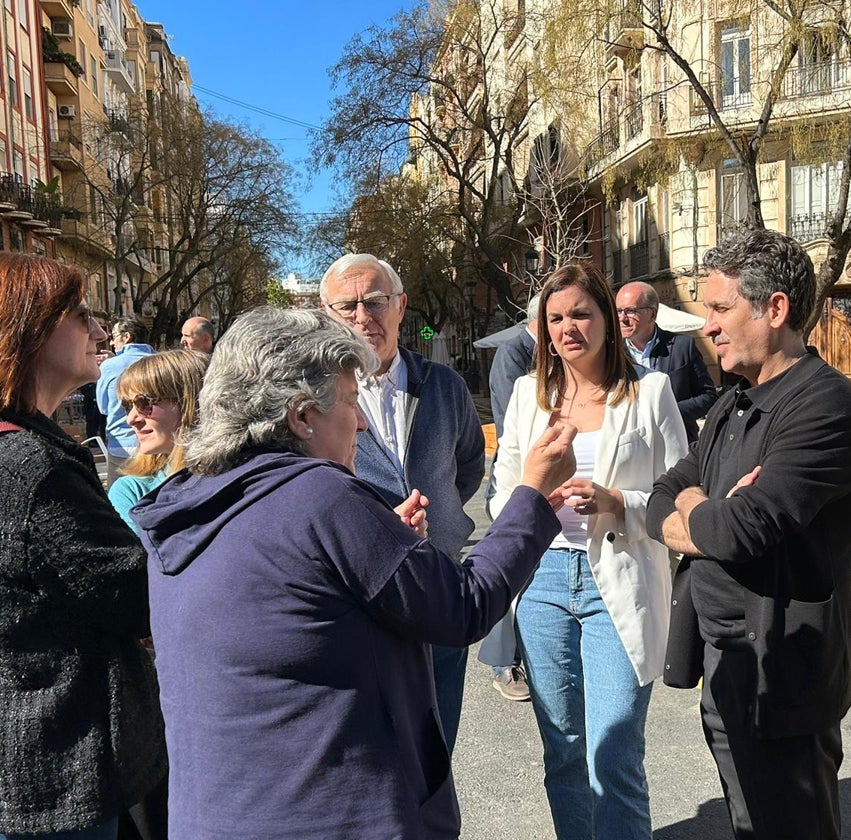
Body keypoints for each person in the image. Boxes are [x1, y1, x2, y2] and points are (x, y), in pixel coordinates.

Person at [131, 307, 576, 840]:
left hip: (217, 815)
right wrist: (531, 495)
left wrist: (379, 541)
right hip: (340, 816)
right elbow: (464, 606)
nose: (360, 421)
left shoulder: (187, 501)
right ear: (301, 416)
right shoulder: (322, 498)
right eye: (348, 401)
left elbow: (292, 601)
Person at [646, 229, 851, 840]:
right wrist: (704, 506)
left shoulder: (827, 406)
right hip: (726, 662)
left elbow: (741, 530)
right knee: (748, 821)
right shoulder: (731, 403)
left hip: (785, 675)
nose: (709, 326)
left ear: (774, 309)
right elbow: (660, 499)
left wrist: (701, 511)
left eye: (720, 309)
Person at [0, 252, 166, 840]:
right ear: (27, 327)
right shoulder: (30, 469)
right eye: (81, 315)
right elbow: (137, 595)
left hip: (15, 751)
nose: (102, 331)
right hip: (65, 764)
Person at [488, 264, 689, 840]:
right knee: (564, 751)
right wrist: (532, 494)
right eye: (555, 318)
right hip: (544, 581)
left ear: (606, 317)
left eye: (580, 313)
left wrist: (615, 499)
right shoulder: (530, 395)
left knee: (614, 750)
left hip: (620, 580)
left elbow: (679, 494)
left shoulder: (651, 392)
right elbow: (501, 493)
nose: (568, 327)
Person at [319, 253, 485, 752]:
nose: (361, 316)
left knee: (438, 742)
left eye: (374, 301)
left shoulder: (444, 386)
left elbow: (470, 466)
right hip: (359, 599)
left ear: (400, 306)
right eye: (346, 306)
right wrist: (375, 530)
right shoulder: (313, 399)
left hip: (438, 586)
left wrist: (440, 516)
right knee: (374, 752)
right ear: (327, 314)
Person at [482, 296, 540, 701]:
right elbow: (510, 427)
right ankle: (504, 663)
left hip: (548, 479)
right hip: (520, 478)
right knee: (511, 569)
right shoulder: (513, 353)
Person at [108, 350, 209, 530]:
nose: (131, 418)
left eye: (144, 403)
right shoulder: (133, 493)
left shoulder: (244, 478)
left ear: (191, 404)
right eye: (127, 405)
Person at [616, 281, 718, 442]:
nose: (622, 318)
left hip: (676, 443)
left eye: (630, 311)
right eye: (619, 311)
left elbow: (709, 396)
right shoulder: (612, 354)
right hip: (631, 448)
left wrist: (670, 411)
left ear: (652, 314)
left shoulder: (682, 346)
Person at [97, 318, 155, 459]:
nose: (111, 342)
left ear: (127, 337)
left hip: (122, 445)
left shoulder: (109, 366)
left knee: (119, 482)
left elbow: (103, 408)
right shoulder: (163, 361)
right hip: (158, 442)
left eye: (113, 337)